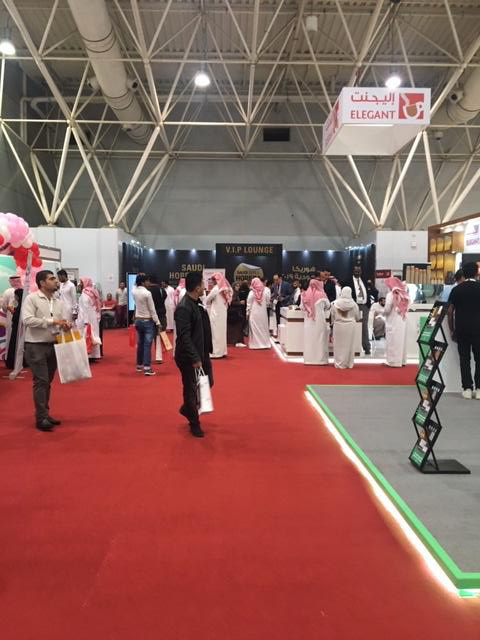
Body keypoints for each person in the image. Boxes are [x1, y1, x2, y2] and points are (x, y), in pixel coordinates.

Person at [22, 270, 71, 431]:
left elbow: (60, 321)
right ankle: (41, 417)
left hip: (53, 344)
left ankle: (45, 414)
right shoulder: (31, 298)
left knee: (47, 382)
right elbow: (27, 320)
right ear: (42, 283)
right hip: (35, 345)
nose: (56, 281)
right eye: (52, 279)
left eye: (55, 279)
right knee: (41, 381)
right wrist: (52, 321)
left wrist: (65, 325)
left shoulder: (58, 301)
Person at [174, 271, 213, 438]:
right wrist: (195, 358)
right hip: (189, 357)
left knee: (208, 382)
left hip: (202, 352)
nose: (205, 287)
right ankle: (194, 422)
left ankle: (187, 408)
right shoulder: (184, 307)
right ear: (197, 288)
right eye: (203, 284)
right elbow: (184, 337)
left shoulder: (197, 303)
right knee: (190, 389)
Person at [447, 262, 480, 399]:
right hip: (478, 329)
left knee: (464, 358)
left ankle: (467, 388)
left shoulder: (456, 290)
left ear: (463, 274)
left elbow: (450, 311)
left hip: (461, 329)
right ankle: (479, 389)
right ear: (477, 273)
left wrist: (452, 330)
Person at [132, 274, 161, 376]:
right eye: (147, 281)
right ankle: (147, 368)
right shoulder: (147, 293)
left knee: (140, 343)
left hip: (138, 320)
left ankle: (139, 365)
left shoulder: (134, 291)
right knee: (147, 345)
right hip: (148, 321)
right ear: (143, 282)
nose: (149, 283)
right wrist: (157, 322)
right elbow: (152, 309)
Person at [301, 279, 330, 365]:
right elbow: (328, 306)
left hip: (308, 322)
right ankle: (320, 360)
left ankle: (309, 359)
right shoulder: (322, 295)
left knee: (309, 340)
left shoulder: (304, 294)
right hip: (319, 321)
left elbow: (302, 307)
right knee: (320, 339)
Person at [331, 287, 360, 369]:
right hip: (350, 327)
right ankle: (348, 364)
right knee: (349, 345)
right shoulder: (354, 304)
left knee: (338, 345)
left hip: (338, 326)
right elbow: (357, 317)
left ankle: (338, 363)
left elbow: (332, 316)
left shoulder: (335, 303)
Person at [346, 265, 372, 355]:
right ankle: (353, 347)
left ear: (361, 272)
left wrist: (368, 304)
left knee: (364, 327)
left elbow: (372, 291)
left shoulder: (364, 280)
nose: (357, 272)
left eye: (359, 271)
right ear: (353, 271)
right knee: (352, 326)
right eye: (356, 271)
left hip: (364, 306)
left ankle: (367, 347)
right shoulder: (348, 281)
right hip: (353, 306)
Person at [384, 277, 410, 367]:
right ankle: (402, 361)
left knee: (393, 341)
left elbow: (387, 310)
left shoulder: (390, 295)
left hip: (393, 321)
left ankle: (393, 362)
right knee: (402, 341)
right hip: (403, 321)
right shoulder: (404, 294)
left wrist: (381, 312)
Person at [205, 273, 232, 358]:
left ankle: (216, 353)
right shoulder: (226, 288)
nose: (212, 281)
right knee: (222, 333)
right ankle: (223, 351)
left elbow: (207, 299)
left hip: (216, 314)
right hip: (223, 313)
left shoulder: (216, 288)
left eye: (213, 280)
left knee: (215, 333)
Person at [77, 277, 102, 360]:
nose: (79, 284)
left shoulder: (85, 293)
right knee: (93, 334)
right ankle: (94, 355)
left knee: (87, 335)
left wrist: (85, 320)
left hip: (86, 317)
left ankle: (88, 355)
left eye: (81, 282)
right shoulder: (92, 291)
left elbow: (86, 307)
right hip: (93, 316)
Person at [1, 275, 22, 361]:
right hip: (22, 317)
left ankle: (9, 358)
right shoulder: (26, 290)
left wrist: (8, 311)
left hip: (12, 317)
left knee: (10, 337)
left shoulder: (8, 291)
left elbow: (4, 306)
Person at [247, 277, 271, 349]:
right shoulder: (266, 291)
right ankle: (265, 344)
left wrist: (247, 313)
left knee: (254, 328)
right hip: (263, 313)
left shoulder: (252, 292)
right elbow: (268, 302)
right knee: (263, 327)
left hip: (254, 313)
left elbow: (249, 303)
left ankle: (255, 344)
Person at [5, 288, 23, 370]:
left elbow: (17, 317)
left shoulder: (20, 305)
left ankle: (13, 362)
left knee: (14, 343)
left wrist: (12, 311)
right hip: (18, 328)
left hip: (17, 328)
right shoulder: (20, 304)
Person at [227, 281, 246, 347]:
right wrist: (240, 303)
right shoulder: (233, 293)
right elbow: (231, 302)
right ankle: (237, 342)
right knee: (236, 328)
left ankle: (235, 341)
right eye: (237, 286)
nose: (238, 287)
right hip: (234, 313)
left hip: (234, 313)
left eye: (239, 286)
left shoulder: (234, 293)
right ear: (234, 286)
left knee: (235, 328)